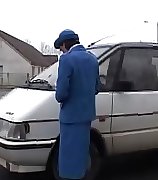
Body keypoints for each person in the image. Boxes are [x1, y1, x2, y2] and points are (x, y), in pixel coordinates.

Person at [54, 29, 100, 180]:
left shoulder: (66, 60)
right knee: (81, 155)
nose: (61, 50)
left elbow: (61, 94)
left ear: (65, 44)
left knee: (68, 160)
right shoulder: (93, 59)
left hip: (70, 117)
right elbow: (96, 88)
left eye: (61, 47)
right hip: (86, 116)